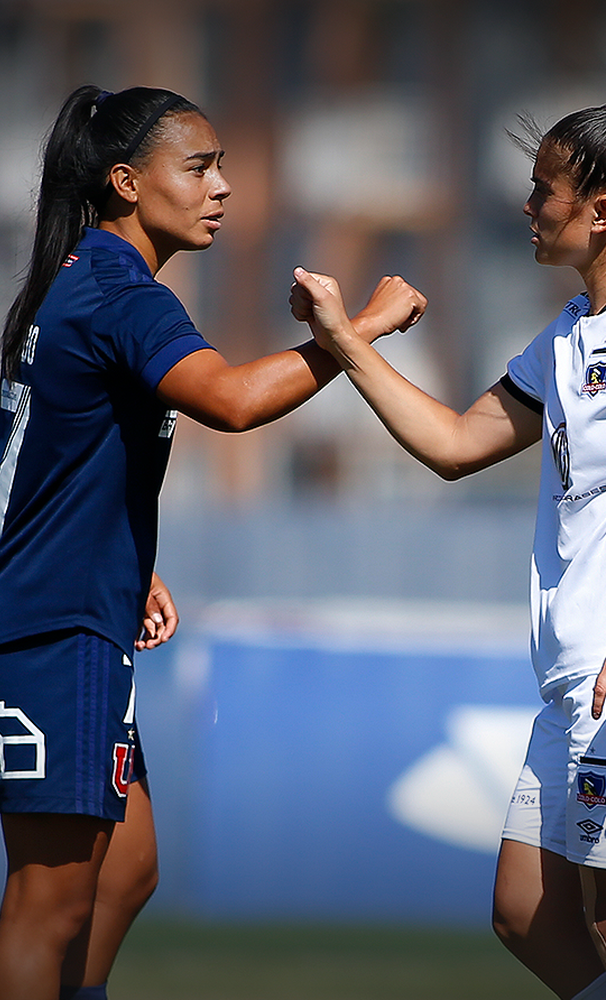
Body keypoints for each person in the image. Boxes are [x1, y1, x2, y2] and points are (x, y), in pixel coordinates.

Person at [290, 97, 606, 1000]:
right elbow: (457, 445)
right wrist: (348, 343)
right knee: (525, 911)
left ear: (603, 212)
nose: (528, 206)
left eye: (542, 189)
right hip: (583, 680)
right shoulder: (570, 335)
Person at [0, 84, 425, 1000]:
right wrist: (357, 336)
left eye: (222, 165)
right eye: (197, 168)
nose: (221, 187)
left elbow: (50, 456)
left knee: (125, 871)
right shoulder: (121, 296)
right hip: (50, 631)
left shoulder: (80, 282)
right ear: (124, 182)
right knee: (50, 904)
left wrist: (128, 558)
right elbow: (231, 401)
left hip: (76, 613)